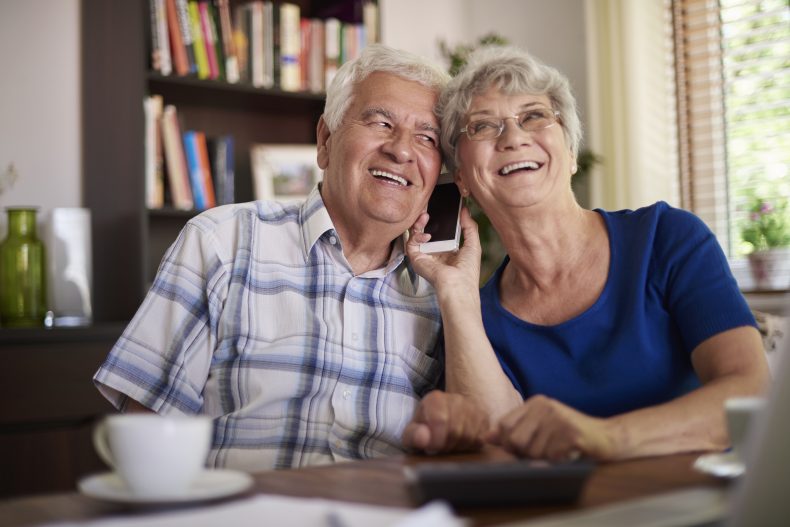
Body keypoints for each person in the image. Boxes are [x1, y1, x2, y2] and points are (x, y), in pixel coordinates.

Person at [402, 45, 770, 462]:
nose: (513, 137)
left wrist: (605, 437)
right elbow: (495, 449)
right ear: (462, 179)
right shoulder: (475, 319)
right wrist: (455, 292)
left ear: (572, 152)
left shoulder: (668, 239)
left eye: (534, 116)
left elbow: (750, 392)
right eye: (483, 127)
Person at [94, 45, 451, 472]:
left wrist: (457, 289)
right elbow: (146, 435)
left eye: (427, 137)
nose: (401, 150)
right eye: (380, 122)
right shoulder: (220, 243)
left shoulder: (441, 287)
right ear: (325, 140)